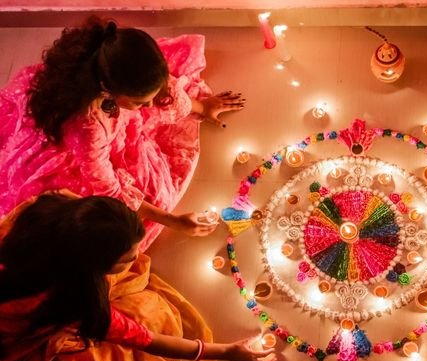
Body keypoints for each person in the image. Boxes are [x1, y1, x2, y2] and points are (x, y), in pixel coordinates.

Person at [0, 16, 245, 251]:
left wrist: (203, 107)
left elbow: (164, 93)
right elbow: (110, 191)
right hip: (74, 150)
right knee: (127, 215)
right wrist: (173, 220)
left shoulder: (119, 64)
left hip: (103, 113)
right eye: (140, 103)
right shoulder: (87, 128)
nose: (149, 109)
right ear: (109, 90)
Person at [0, 193, 276, 361]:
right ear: (91, 266)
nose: (136, 258)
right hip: (11, 343)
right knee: (151, 316)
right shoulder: (76, 301)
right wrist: (227, 351)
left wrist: (175, 221)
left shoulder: (46, 211)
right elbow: (147, 340)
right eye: (126, 259)